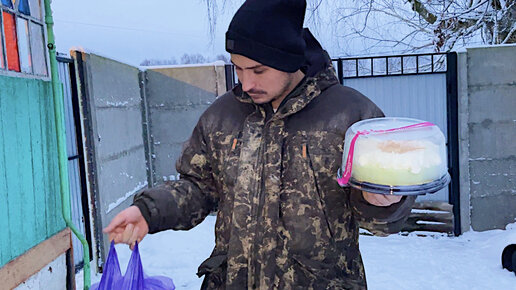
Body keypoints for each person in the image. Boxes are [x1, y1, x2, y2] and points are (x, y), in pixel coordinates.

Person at [104, 0, 415, 289]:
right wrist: (150, 211)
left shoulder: (351, 116)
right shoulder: (222, 115)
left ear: (290, 60)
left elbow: (384, 220)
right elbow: (198, 188)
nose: (246, 82)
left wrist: (384, 204)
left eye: (258, 70)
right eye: (238, 68)